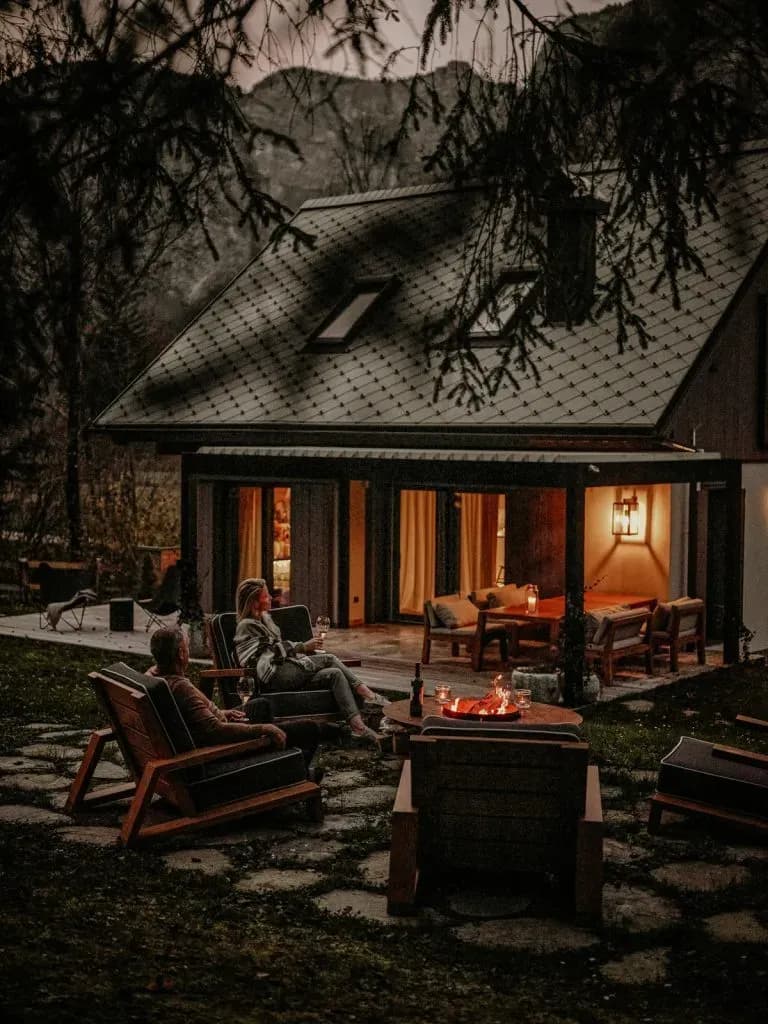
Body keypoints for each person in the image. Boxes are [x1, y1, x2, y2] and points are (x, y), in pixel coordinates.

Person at [147, 626, 323, 778]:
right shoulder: (180, 687)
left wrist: (222, 712)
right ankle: (297, 774)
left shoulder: (153, 676)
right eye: (186, 647)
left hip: (205, 732)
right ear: (181, 654)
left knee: (261, 705)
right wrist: (262, 729)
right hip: (216, 749)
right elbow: (215, 731)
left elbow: (194, 715)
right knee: (309, 728)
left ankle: (274, 760)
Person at [233, 577, 388, 746]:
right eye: (266, 596)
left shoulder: (263, 621)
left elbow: (275, 649)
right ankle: (368, 694)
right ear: (254, 602)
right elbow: (267, 654)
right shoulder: (246, 625)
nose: (270, 598)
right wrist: (303, 647)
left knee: (334, 674)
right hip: (275, 677)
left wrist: (300, 651)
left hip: (287, 671)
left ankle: (358, 727)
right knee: (329, 658)